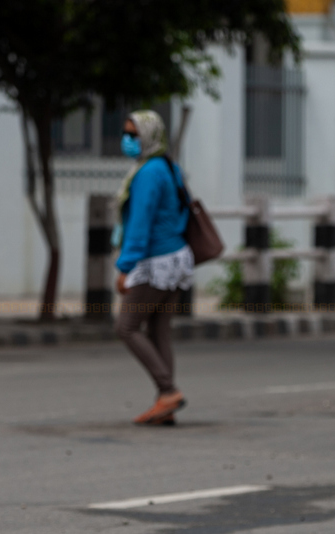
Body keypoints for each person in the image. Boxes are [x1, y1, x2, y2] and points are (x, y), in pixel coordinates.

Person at [112, 110, 192, 426]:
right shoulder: (168, 167)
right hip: (176, 259)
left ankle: (168, 391)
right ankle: (165, 404)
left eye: (134, 135)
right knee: (159, 331)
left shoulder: (147, 173)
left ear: (148, 137)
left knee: (127, 326)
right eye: (125, 133)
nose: (127, 140)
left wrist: (125, 267)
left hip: (155, 262)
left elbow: (141, 223)